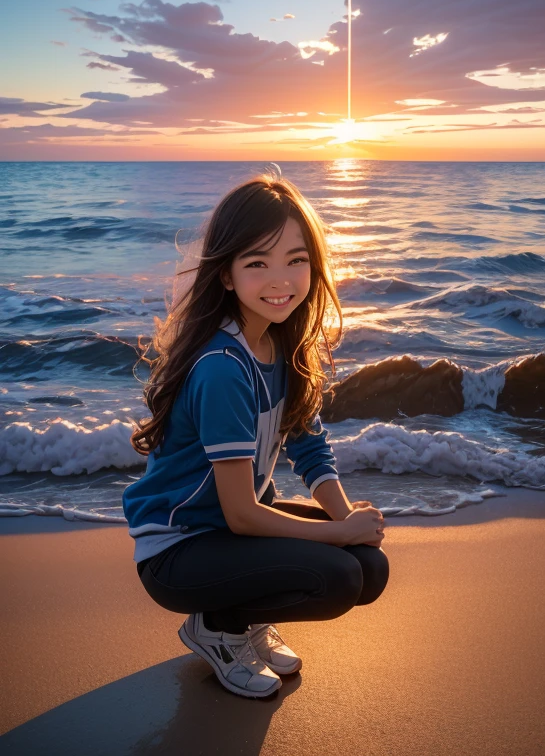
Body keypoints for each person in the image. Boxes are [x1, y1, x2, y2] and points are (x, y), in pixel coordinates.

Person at [122, 170, 389, 700]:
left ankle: (237, 618)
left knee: (369, 569)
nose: (280, 280)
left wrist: (347, 520)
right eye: (257, 263)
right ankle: (221, 629)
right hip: (179, 551)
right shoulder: (224, 367)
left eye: (295, 260)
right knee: (337, 578)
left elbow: (310, 448)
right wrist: (337, 535)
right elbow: (243, 512)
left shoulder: (282, 347)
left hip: (229, 535)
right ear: (226, 275)